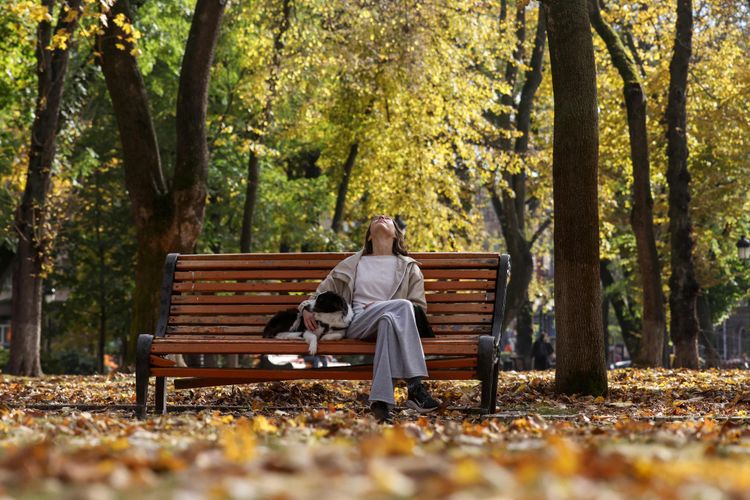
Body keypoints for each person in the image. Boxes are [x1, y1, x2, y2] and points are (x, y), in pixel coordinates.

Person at [298, 214, 439, 423]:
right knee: (400, 307)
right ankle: (415, 386)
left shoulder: (410, 268)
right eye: (375, 218)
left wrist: (383, 308)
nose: (381, 217)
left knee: (388, 320)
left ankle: (380, 404)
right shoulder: (350, 265)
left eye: (388, 218)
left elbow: (418, 310)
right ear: (370, 237)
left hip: (391, 325)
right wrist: (305, 309)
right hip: (357, 322)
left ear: (396, 235)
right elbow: (317, 295)